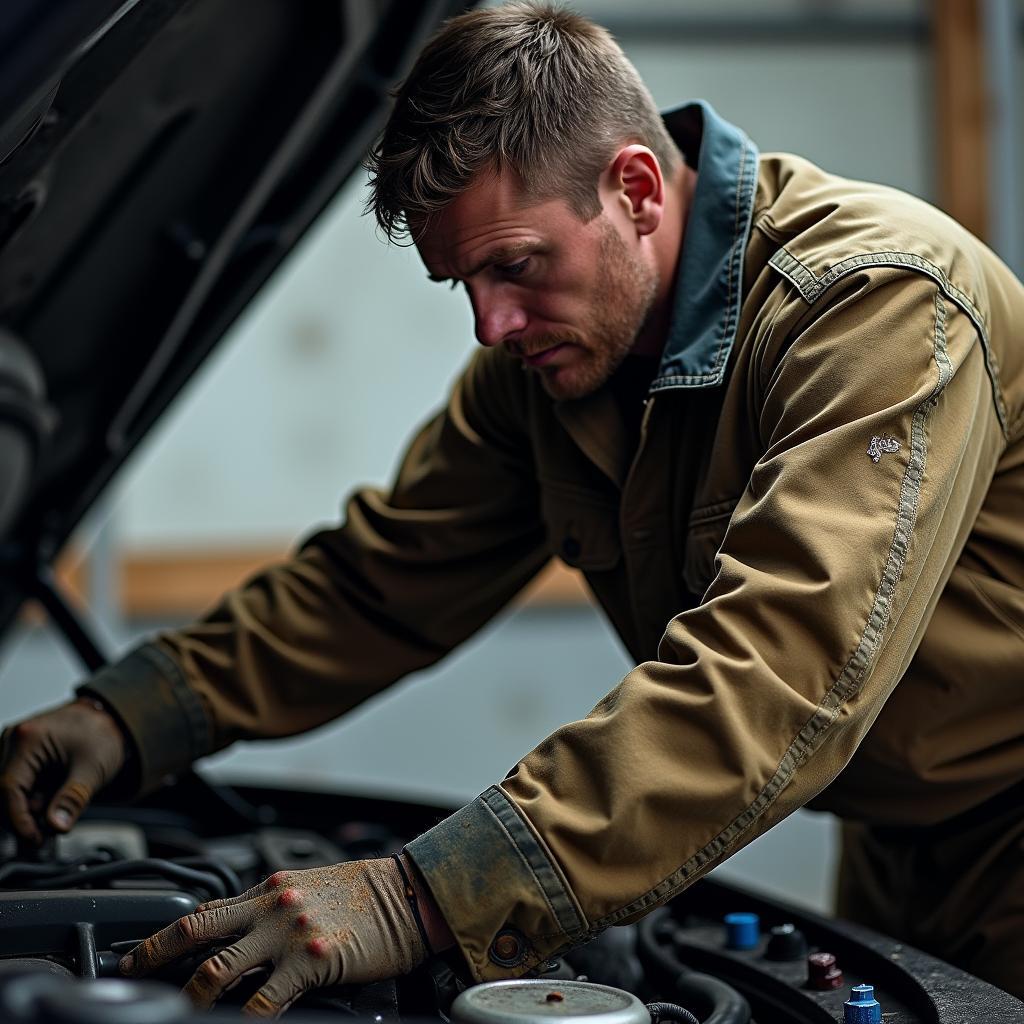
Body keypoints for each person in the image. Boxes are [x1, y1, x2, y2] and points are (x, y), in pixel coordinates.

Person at [2, 2, 1023, 1015]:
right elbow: (379, 583)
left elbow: (782, 670)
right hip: (896, 843)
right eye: (464, 284)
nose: (492, 324)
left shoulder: (876, 305)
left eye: (516, 266)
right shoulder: (544, 369)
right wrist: (125, 715)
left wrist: (424, 897)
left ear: (633, 188)